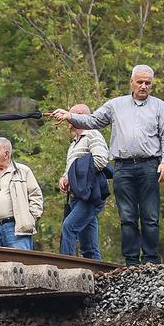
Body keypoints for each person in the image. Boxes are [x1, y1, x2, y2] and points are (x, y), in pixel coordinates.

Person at [50, 64, 164, 264]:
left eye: (148, 83)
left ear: (152, 85)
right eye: (140, 82)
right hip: (123, 167)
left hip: (149, 165)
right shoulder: (116, 105)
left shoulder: (159, 106)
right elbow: (93, 120)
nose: (143, 86)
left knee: (150, 216)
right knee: (127, 217)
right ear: (131, 83)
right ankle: (131, 261)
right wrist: (69, 116)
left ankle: (150, 260)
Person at [57, 104, 110, 259]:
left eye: (70, 115)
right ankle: (97, 275)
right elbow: (72, 168)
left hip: (90, 195)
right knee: (88, 246)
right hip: (77, 196)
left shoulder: (93, 134)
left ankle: (64, 267)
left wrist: (76, 178)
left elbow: (100, 160)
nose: (68, 119)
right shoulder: (75, 142)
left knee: (68, 227)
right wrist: (65, 177)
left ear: (80, 115)